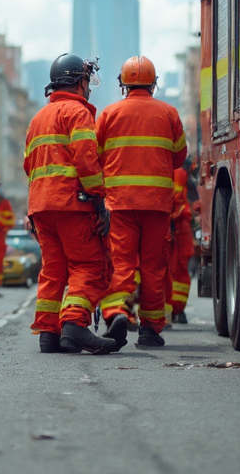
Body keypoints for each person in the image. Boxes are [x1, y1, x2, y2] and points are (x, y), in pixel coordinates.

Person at [24, 54, 116, 355]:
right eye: (88, 80)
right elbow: (86, 158)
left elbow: (30, 165)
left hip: (41, 207)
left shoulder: (38, 117)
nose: (89, 87)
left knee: (54, 269)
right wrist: (99, 197)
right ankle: (75, 323)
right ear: (80, 81)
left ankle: (49, 334)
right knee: (89, 265)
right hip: (72, 205)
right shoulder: (78, 113)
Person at [97, 56, 187, 348]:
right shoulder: (169, 113)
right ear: (154, 83)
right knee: (154, 267)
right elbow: (179, 157)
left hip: (120, 204)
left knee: (122, 263)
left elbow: (94, 155)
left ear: (123, 84)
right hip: (157, 205)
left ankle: (118, 312)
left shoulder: (109, 113)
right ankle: (150, 329)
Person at [166, 163, 194, 324]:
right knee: (171, 267)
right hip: (175, 224)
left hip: (177, 224)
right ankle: (173, 309)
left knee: (179, 267)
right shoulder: (179, 173)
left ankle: (176, 308)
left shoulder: (180, 173)